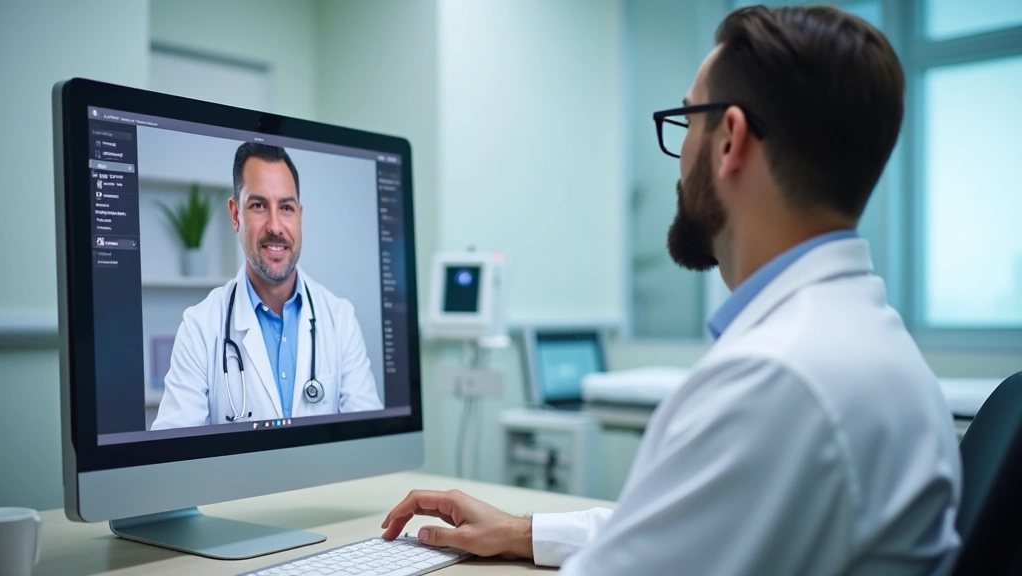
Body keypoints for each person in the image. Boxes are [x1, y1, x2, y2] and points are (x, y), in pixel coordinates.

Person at [380, 5, 961, 575]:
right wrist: (524, 532)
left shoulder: (775, 380)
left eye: (686, 123)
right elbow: (690, 529)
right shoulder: (860, 338)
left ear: (730, 140)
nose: (678, 158)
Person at [152, 143, 382, 429]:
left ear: (300, 215)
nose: (275, 226)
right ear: (236, 215)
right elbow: (175, 456)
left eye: (286, 207)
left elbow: (368, 441)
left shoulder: (340, 319)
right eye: (258, 206)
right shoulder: (200, 327)